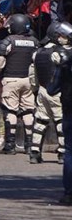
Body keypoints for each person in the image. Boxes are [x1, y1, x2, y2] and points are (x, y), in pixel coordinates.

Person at [0, 13, 39, 155]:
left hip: (11, 80)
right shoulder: (34, 41)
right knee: (28, 110)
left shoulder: (8, 41)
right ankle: (29, 144)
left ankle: (10, 144)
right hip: (28, 81)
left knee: (10, 110)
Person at [29, 23, 65, 164]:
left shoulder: (38, 52)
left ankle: (34, 152)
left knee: (40, 121)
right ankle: (63, 153)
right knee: (61, 120)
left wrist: (35, 88)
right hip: (58, 91)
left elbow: (33, 74)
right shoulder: (60, 53)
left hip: (43, 90)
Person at [47, 21, 72, 204]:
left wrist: (59, 68)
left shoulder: (65, 60)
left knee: (70, 151)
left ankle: (69, 192)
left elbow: (52, 89)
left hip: (70, 109)